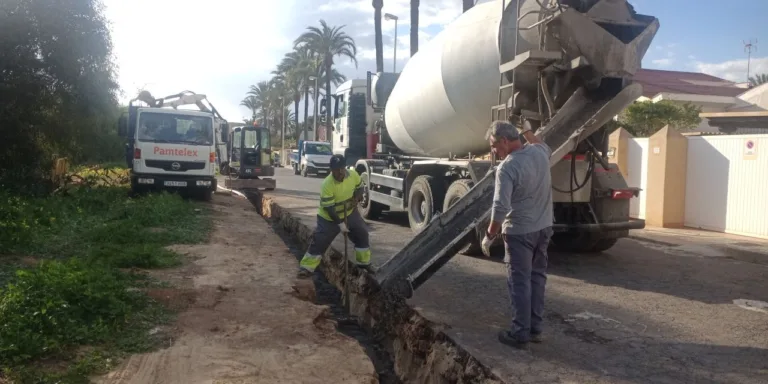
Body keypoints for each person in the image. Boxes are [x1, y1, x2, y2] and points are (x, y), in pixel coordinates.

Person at [482, 120, 554, 349]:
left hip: (520, 233)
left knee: (520, 282)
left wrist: (489, 235)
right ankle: (535, 329)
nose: (493, 151)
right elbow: (541, 143)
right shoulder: (540, 152)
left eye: (494, 145)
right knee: (537, 278)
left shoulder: (508, 167)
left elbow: (500, 207)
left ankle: (519, 333)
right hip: (543, 228)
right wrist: (528, 130)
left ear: (504, 141)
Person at [297, 154, 373, 278]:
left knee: (362, 232)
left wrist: (357, 197)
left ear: (345, 168)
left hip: (349, 212)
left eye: (341, 169)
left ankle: (364, 264)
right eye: (336, 170)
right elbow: (329, 208)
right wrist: (341, 224)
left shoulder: (353, 175)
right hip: (328, 218)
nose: (339, 172)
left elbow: (360, 187)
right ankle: (306, 268)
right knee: (320, 241)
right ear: (331, 170)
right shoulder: (327, 184)